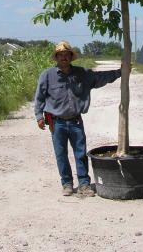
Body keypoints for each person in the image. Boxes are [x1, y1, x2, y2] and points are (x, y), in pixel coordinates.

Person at [34, 40, 122, 197]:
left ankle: (84, 184)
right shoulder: (47, 75)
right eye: (60, 55)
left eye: (66, 54)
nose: (63, 58)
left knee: (80, 153)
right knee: (61, 154)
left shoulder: (82, 74)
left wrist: (120, 72)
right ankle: (66, 183)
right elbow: (39, 98)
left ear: (70, 56)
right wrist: (39, 116)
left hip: (75, 121)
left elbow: (100, 77)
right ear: (56, 57)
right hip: (56, 122)